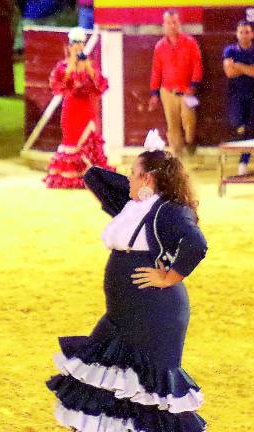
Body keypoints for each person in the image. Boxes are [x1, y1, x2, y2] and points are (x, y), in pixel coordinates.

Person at [47, 131, 208, 432]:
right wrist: (94, 168)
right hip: (124, 313)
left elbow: (196, 245)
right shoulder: (134, 205)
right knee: (112, 379)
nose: (127, 179)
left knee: (148, 390)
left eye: (133, 174)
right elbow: (102, 181)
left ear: (147, 180)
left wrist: (168, 277)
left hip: (153, 315)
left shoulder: (168, 210)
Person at [44, 27, 112, 189]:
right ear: (69, 46)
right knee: (72, 141)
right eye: (75, 43)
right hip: (72, 111)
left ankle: (92, 175)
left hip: (88, 111)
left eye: (81, 43)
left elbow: (101, 85)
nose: (78, 46)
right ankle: (74, 175)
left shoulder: (91, 67)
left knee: (90, 140)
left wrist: (87, 69)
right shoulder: (62, 67)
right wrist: (71, 68)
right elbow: (57, 86)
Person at [147, 10, 203, 159]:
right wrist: (154, 93)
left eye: (175, 22)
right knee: (173, 126)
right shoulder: (160, 46)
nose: (172, 25)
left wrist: (194, 85)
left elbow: (197, 65)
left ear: (179, 24)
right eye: (169, 23)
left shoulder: (190, 42)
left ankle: (190, 145)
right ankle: (178, 158)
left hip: (187, 90)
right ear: (164, 25)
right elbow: (156, 71)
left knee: (189, 121)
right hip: (167, 91)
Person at [223, 20, 254, 175]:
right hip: (236, 96)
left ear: (252, 34)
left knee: (250, 129)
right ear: (236, 34)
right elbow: (229, 73)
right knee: (237, 124)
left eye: (247, 32)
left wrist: (238, 65)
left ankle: (244, 161)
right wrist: (246, 68)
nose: (244, 35)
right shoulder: (230, 50)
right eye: (241, 32)